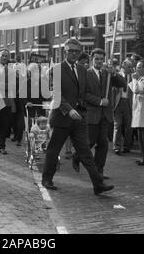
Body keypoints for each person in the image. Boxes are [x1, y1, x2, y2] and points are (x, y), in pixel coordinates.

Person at [41, 38, 114, 195]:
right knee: (54, 150)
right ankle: (47, 179)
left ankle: (98, 184)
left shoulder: (82, 69)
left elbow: (86, 92)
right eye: (71, 51)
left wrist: (107, 75)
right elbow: (56, 92)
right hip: (62, 117)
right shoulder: (56, 69)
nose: (74, 54)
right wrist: (68, 109)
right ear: (65, 52)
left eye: (76, 51)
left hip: (79, 118)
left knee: (85, 152)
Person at [83, 48, 126, 178]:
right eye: (97, 59)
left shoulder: (107, 74)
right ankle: (77, 157)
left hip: (105, 115)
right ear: (92, 59)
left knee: (103, 145)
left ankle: (99, 172)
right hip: (92, 114)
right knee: (89, 142)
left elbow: (123, 84)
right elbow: (84, 94)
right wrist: (100, 101)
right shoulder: (86, 73)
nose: (99, 61)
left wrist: (114, 74)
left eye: (102, 59)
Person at [112, 59, 133, 154]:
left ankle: (127, 146)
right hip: (118, 102)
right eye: (127, 66)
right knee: (118, 125)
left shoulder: (134, 77)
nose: (129, 68)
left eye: (130, 67)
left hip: (129, 103)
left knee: (129, 126)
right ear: (123, 67)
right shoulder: (117, 75)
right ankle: (116, 146)